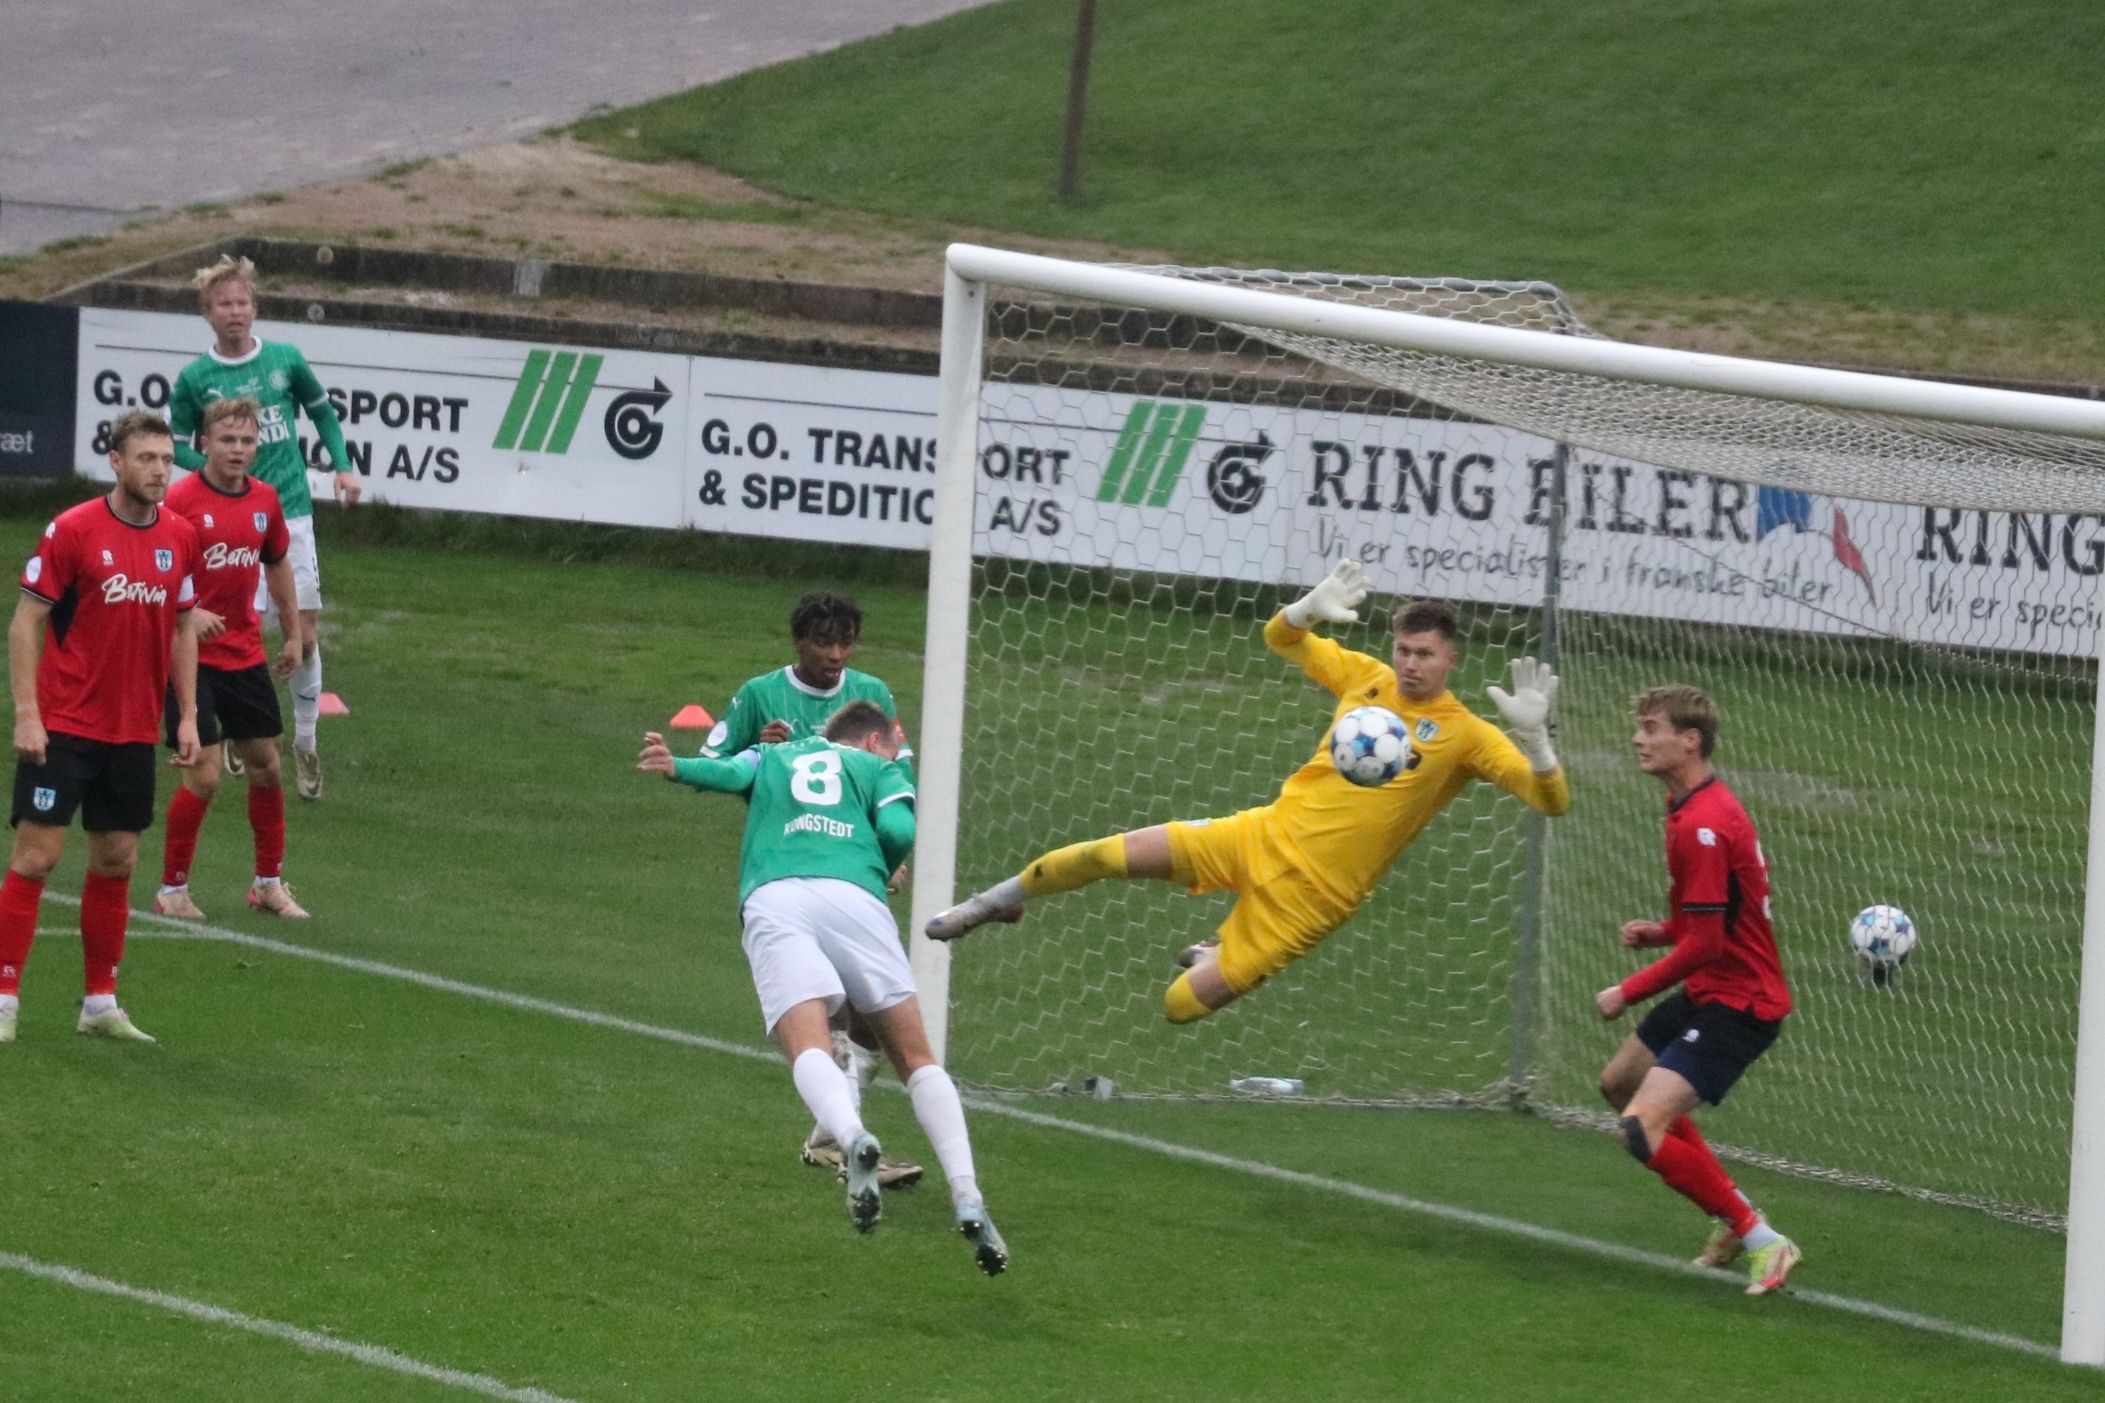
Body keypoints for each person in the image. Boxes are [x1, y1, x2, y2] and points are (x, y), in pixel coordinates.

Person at [927, 560, 1571, 1022]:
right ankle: (992, 903)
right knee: (1105, 855)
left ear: (1451, 659)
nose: (1409, 663)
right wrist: (1306, 609)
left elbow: (1552, 802)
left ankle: (1215, 951)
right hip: (1261, 834)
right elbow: (1281, 638)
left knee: (1179, 1007)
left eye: (1425, 654)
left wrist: (1537, 743)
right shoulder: (1366, 678)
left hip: (1313, 900)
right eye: (1403, 649)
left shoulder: (1468, 736)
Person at [637, 700, 1008, 1275]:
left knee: (807, 1043)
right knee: (916, 1059)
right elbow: (899, 828)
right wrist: (881, 866)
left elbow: (729, 772)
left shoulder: (775, 754)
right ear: (873, 742)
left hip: (776, 894)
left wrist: (677, 766)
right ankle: (967, 1194)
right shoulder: (879, 768)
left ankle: (851, 1135)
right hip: (854, 898)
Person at [705, 590, 921, 1188]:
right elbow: (717, 761)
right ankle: (841, 1142)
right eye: (824, 642)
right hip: (789, 869)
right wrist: (760, 749)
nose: (835, 654)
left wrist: (887, 855)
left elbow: (894, 775)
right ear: (798, 642)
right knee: (839, 1008)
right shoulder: (760, 694)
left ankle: (834, 1139)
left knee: (870, 1017)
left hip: (854, 871)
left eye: (845, 643)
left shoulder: (872, 694)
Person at [0, 411, 202, 1045]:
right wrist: (28, 712)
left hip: (133, 730)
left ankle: (99, 1004)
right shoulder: (74, 529)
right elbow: (26, 621)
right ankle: (3, 999)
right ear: (116, 462)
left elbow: (183, 627)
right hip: (64, 725)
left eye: (166, 460)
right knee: (38, 857)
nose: (159, 471)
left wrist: (188, 714)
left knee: (117, 861)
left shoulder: (180, 536)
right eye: (146, 458)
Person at [1595, 685, 1800, 1296]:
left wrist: (1628, 990)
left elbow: (1707, 944)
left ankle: (1761, 1238)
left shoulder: (1705, 824)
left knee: (1639, 1129)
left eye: (1651, 728)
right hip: (1713, 988)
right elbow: (1716, 919)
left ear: (1690, 741)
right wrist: (1663, 931)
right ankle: (1738, 1219)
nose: (1638, 738)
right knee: (1620, 1084)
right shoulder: (1689, 806)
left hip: (1741, 1005)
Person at [166, 255, 361, 803]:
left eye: (242, 302)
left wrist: (342, 465)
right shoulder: (195, 378)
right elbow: (174, 442)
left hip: (289, 511)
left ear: (255, 308)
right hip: (226, 521)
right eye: (223, 304)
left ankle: (305, 742)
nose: (235, 312)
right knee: (228, 628)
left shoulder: (285, 359)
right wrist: (214, 470)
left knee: (304, 633)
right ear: (207, 313)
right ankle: (237, 726)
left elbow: (322, 412)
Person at [150, 397, 309, 922]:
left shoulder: (265, 499)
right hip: (189, 657)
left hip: (243, 654)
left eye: (247, 441)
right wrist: (187, 614)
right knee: (206, 774)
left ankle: (268, 884)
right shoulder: (179, 501)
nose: (238, 450)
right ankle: (172, 889)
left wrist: (292, 634)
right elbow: (154, 569)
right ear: (204, 444)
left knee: (266, 766)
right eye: (227, 440)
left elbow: (277, 563)